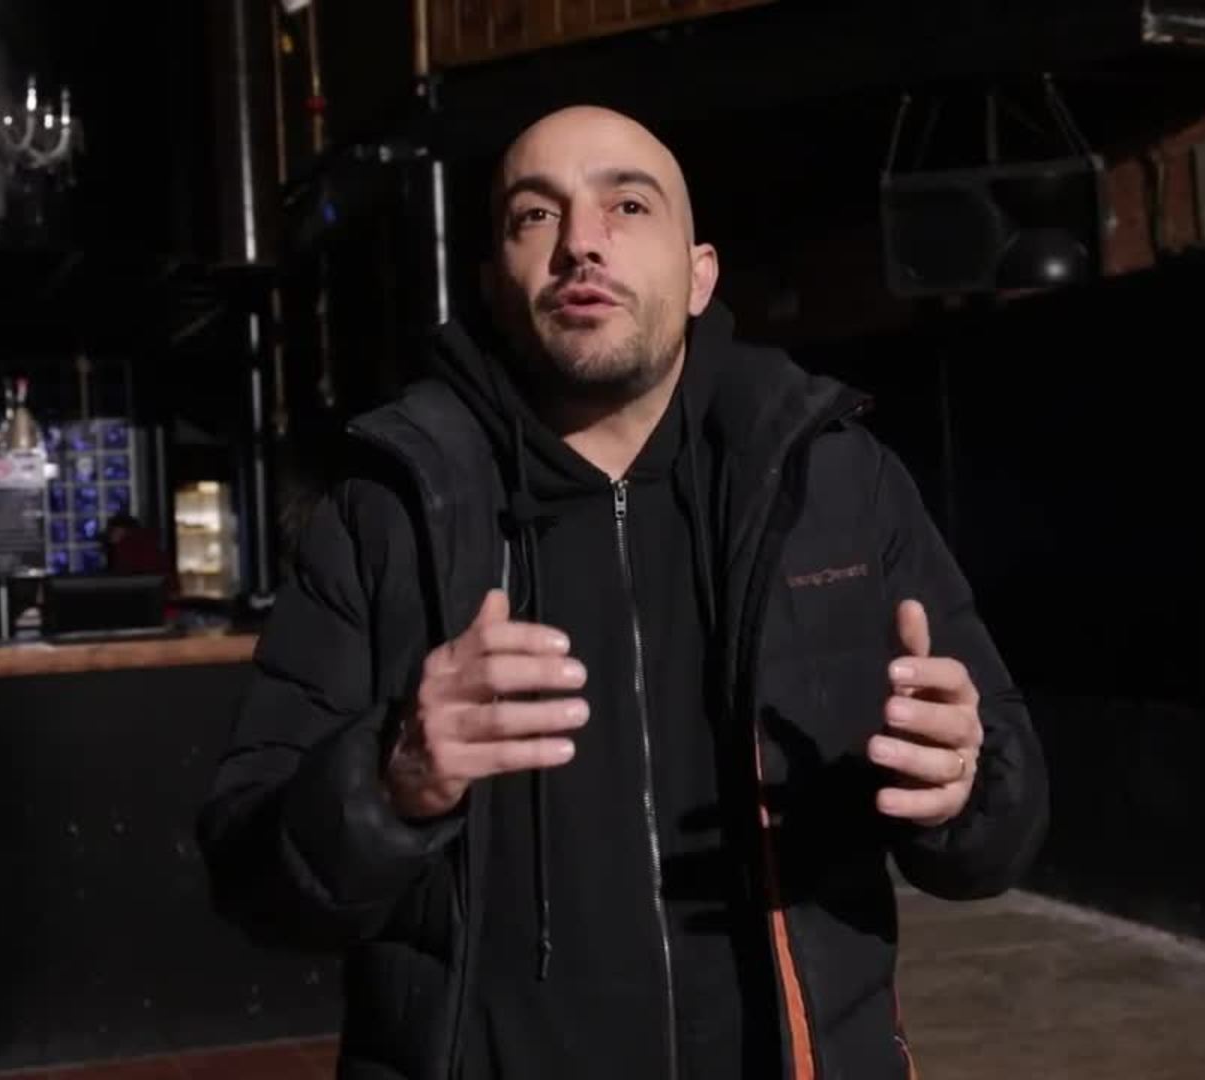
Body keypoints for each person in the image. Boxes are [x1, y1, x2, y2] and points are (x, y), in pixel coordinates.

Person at [197, 105, 1049, 1079]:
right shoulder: (385, 512)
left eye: (628, 205)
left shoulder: (836, 483)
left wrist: (958, 794)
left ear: (700, 274)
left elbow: (1002, 831)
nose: (581, 244)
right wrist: (391, 782)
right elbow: (254, 877)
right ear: (493, 283)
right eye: (534, 215)